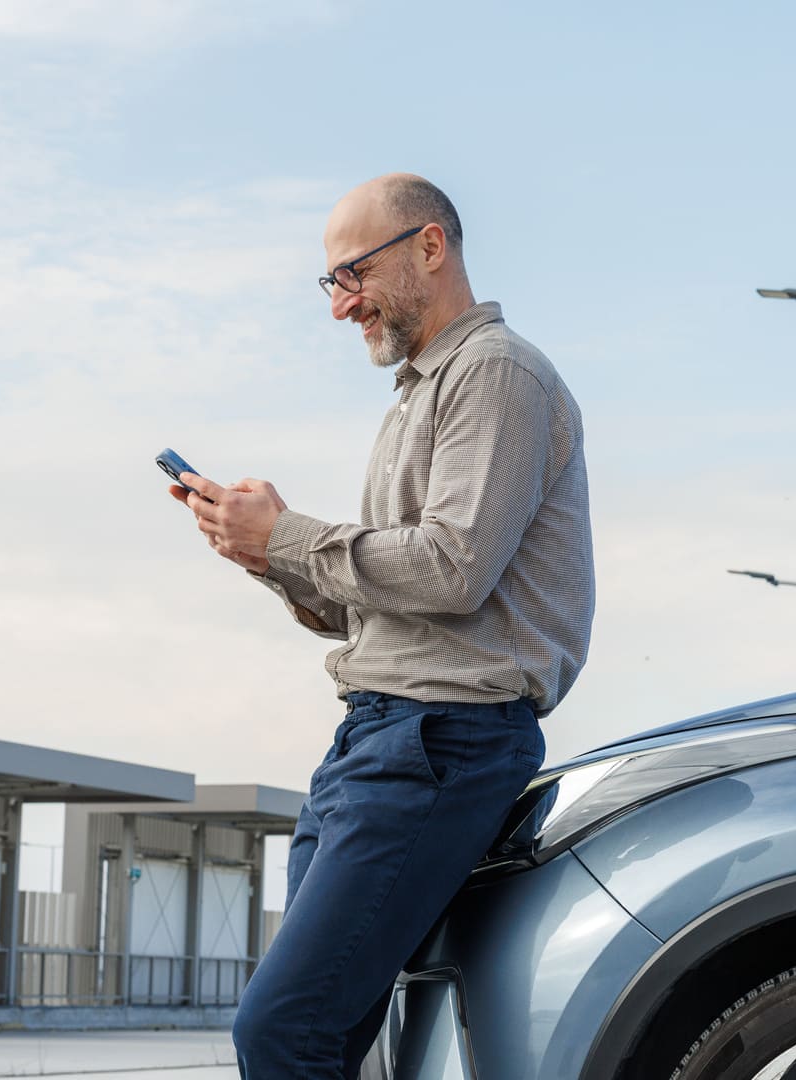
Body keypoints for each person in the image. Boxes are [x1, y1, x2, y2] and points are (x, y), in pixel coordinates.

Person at [169, 173, 594, 1077]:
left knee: (284, 1032)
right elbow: (376, 605)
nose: (340, 306)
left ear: (430, 247)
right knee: (334, 1039)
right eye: (330, 283)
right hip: (379, 743)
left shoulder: (494, 372)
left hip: (439, 742)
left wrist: (288, 532)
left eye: (351, 274)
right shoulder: (419, 394)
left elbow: (451, 568)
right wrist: (266, 556)